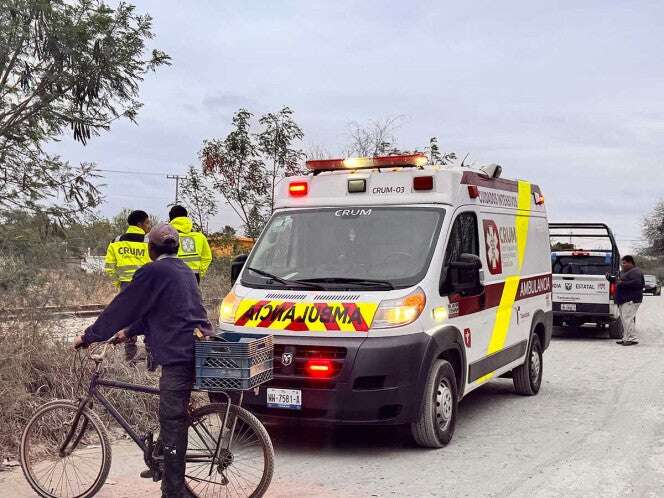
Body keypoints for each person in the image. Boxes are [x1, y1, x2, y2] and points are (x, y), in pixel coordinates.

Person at [75, 223, 214, 498]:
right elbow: (160, 311)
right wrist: (127, 332)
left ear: (151, 249)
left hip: (178, 354)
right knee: (172, 416)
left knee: (171, 420)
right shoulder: (183, 270)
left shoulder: (153, 271)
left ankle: (174, 492)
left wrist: (90, 335)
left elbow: (123, 305)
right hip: (194, 347)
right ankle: (163, 463)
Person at [103, 209, 152, 360]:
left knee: (128, 320)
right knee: (149, 318)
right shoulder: (148, 241)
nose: (148, 226)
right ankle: (151, 358)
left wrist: (119, 282)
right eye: (147, 222)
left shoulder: (116, 241)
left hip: (126, 286)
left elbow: (110, 267)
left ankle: (130, 358)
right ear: (140, 224)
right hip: (146, 287)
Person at [168, 205, 212, 284]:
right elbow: (207, 258)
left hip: (172, 276)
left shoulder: (168, 237)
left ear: (171, 218)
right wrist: (199, 273)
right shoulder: (200, 237)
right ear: (186, 217)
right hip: (194, 277)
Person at [614, 255, 645, 346]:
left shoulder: (635, 271)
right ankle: (626, 338)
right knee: (625, 320)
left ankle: (631, 338)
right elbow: (619, 281)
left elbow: (637, 283)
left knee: (628, 319)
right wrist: (611, 279)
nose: (622, 265)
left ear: (630, 263)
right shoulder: (626, 272)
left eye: (624, 263)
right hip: (624, 299)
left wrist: (622, 283)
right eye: (622, 263)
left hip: (631, 299)